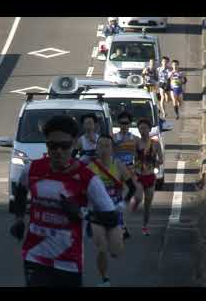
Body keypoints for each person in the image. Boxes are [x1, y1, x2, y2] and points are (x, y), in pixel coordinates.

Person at [9, 115, 118, 287]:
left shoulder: (87, 178)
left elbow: (112, 217)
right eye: (53, 146)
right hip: (34, 256)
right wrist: (19, 218)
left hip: (69, 262)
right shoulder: (33, 169)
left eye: (65, 146)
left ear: (74, 143)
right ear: (47, 144)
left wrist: (81, 212)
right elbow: (21, 190)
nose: (59, 151)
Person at [87, 134, 137, 286]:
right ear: (96, 148)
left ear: (113, 149)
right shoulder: (90, 168)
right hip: (97, 213)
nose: (104, 149)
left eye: (107, 146)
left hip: (115, 212)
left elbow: (132, 188)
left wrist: (124, 202)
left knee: (115, 251)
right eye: (100, 145)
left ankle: (120, 233)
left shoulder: (119, 166)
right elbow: (81, 189)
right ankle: (105, 279)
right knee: (101, 248)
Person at [129, 118, 163, 236]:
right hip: (138, 175)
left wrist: (155, 162)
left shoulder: (156, 143)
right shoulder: (136, 143)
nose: (142, 130)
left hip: (150, 176)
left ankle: (145, 226)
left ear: (149, 129)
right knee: (138, 197)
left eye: (145, 128)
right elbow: (131, 157)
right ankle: (128, 215)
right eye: (140, 128)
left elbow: (161, 159)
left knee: (148, 204)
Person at [113, 111, 143, 238]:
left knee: (139, 196)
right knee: (120, 198)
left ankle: (124, 219)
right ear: (118, 124)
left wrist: (138, 167)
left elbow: (141, 156)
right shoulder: (114, 138)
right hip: (118, 172)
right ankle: (123, 226)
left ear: (130, 124)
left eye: (126, 123)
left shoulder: (135, 139)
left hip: (131, 171)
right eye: (121, 123)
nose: (124, 125)